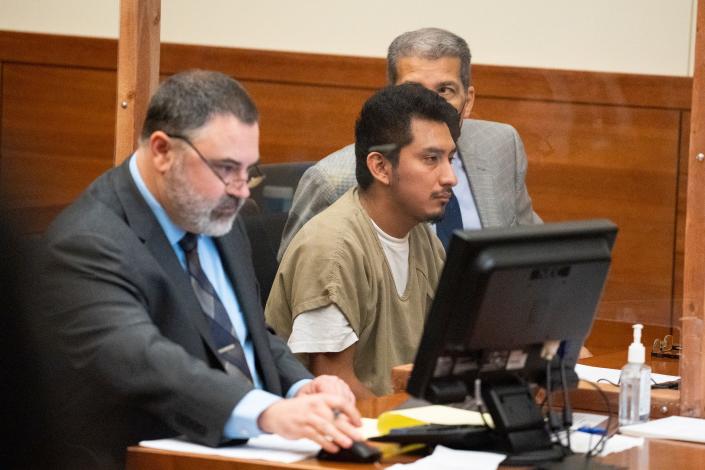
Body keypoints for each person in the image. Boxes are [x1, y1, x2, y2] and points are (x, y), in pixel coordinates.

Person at [30, 70, 361, 470]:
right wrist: (266, 413)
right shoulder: (87, 243)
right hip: (149, 457)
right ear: (162, 150)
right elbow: (143, 361)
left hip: (260, 453)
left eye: (248, 170)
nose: (241, 189)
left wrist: (299, 387)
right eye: (225, 169)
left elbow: (249, 332)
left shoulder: (216, 213)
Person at [278, 27, 541, 260]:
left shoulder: (502, 145)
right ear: (390, 97)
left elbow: (534, 248)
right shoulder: (333, 180)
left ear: (468, 100)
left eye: (444, 90)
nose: (430, 106)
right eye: (413, 90)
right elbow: (293, 283)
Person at [266, 83, 459, 398]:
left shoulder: (421, 234)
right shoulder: (332, 249)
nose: (450, 176)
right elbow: (334, 385)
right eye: (431, 159)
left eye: (450, 158)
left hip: (404, 424)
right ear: (381, 167)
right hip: (346, 434)